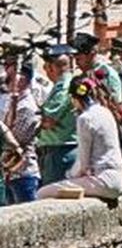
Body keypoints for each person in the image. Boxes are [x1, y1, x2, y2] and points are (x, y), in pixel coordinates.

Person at [37, 77, 122, 201]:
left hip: (103, 180)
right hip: (121, 178)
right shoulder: (106, 112)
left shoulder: (84, 118)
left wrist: (69, 176)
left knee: (42, 193)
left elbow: (83, 164)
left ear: (73, 98)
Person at [1, 58, 41, 203]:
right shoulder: (13, 102)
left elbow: (14, 140)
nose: (7, 80)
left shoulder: (26, 107)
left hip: (23, 174)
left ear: (22, 79)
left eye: (10, 76)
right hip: (11, 173)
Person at [35, 44, 75, 186]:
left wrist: (41, 120)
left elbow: (49, 120)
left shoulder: (64, 86)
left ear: (51, 67)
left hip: (60, 150)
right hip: (56, 149)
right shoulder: (60, 86)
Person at [70, 32, 122, 103]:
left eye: (78, 59)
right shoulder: (82, 74)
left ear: (92, 54)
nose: (76, 63)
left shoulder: (107, 74)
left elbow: (116, 102)